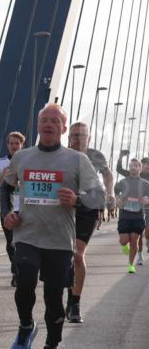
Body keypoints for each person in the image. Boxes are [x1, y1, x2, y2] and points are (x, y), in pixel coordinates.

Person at [3, 104, 104, 349]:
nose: (48, 124)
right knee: (24, 281)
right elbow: (7, 186)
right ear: (38, 125)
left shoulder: (77, 160)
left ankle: (51, 347)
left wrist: (76, 200)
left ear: (63, 127)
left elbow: (97, 197)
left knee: (53, 299)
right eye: (43, 120)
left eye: (54, 121)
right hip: (27, 234)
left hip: (59, 240)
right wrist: (7, 215)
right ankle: (26, 326)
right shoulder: (22, 157)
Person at [64, 122, 115, 323]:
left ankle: (75, 301)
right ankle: (67, 293)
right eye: (74, 135)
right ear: (69, 137)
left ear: (89, 138)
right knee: (64, 255)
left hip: (89, 207)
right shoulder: (62, 154)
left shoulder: (95, 155)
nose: (78, 139)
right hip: (65, 207)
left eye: (82, 135)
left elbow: (108, 174)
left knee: (77, 253)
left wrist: (110, 193)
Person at [0, 131, 26, 286]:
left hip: (25, 209)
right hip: (7, 209)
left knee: (23, 244)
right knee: (11, 243)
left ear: (22, 145)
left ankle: (18, 273)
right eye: (11, 143)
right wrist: (2, 176)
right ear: (7, 145)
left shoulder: (30, 161)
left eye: (17, 143)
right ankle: (16, 268)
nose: (14, 146)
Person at [116, 158, 149, 273]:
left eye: (136, 165)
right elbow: (115, 191)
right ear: (129, 168)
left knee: (134, 239)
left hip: (138, 216)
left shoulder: (145, 184)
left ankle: (131, 265)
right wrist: (117, 199)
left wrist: (147, 199)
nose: (133, 167)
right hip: (124, 215)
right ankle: (124, 246)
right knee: (124, 241)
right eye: (131, 166)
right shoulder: (123, 182)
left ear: (140, 169)